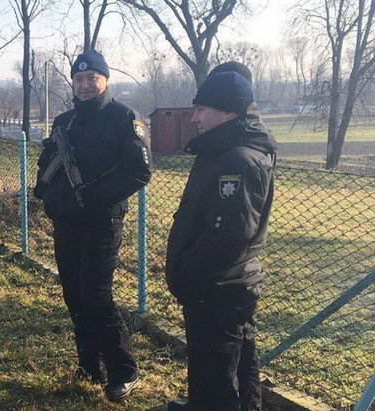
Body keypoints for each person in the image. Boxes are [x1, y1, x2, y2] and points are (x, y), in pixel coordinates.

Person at [33, 49, 152, 401]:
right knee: (74, 295)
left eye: (92, 78)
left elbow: (140, 170)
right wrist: (49, 197)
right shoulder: (65, 121)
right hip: (66, 222)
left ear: (105, 80)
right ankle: (90, 365)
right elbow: (48, 163)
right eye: (79, 79)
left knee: (97, 297)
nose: (85, 84)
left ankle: (124, 371)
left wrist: (93, 196)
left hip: (102, 222)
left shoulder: (124, 117)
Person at [165, 70, 276, 410]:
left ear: (229, 112)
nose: (195, 117)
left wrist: (188, 275)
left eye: (202, 109)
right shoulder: (221, 150)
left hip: (218, 289)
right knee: (237, 365)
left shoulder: (238, 160)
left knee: (214, 375)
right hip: (223, 285)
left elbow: (227, 239)